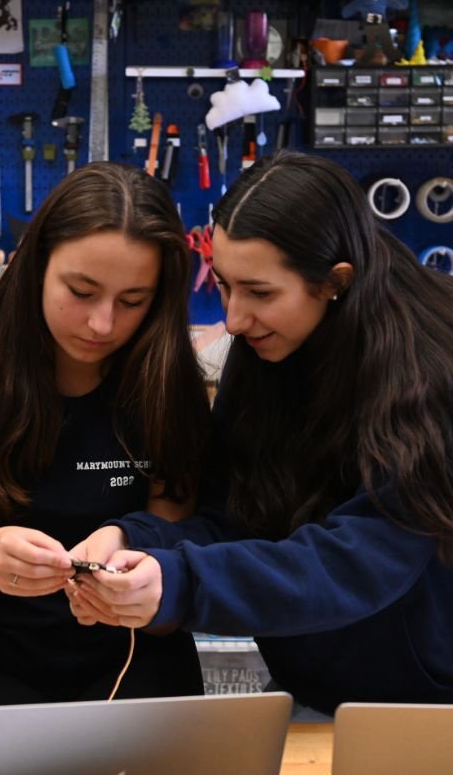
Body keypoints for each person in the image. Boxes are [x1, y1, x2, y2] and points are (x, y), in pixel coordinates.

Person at [67, 150, 453, 716]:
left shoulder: (432, 372)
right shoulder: (264, 348)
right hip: (313, 688)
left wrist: (179, 582)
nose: (233, 318)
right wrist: (136, 540)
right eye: (225, 285)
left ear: (335, 282)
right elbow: (232, 513)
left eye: (260, 292)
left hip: (430, 705)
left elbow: (358, 562)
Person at [0, 162, 212, 719]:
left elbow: (178, 555)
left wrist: (137, 583)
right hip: (0, 670)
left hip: (140, 664)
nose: (102, 323)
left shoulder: (167, 395)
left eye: (132, 300)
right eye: (81, 292)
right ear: (35, 268)